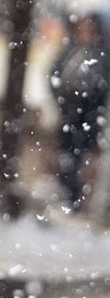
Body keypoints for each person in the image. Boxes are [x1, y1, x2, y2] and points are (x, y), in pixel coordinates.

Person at [49, 12, 110, 210]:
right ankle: (68, 194)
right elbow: (55, 73)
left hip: (88, 115)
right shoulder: (71, 49)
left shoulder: (100, 53)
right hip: (68, 113)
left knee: (77, 156)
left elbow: (99, 85)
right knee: (66, 155)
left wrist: (84, 101)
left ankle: (73, 198)